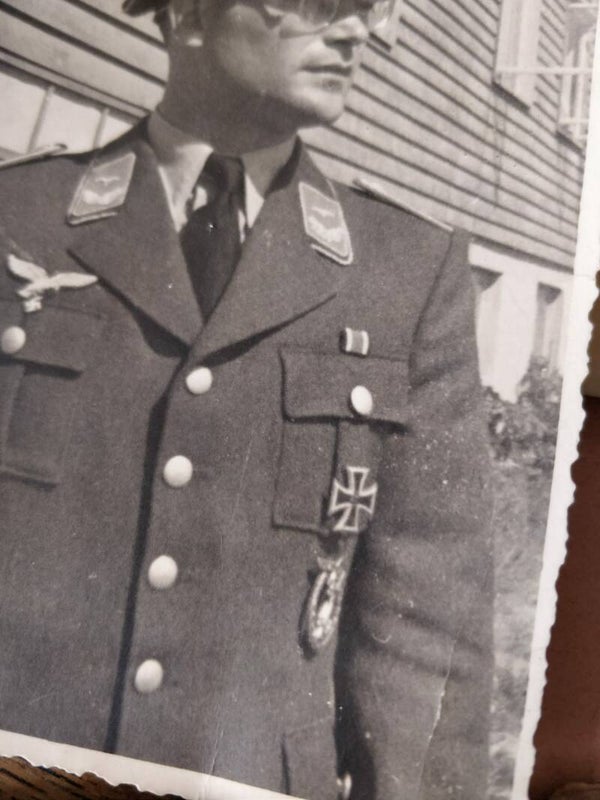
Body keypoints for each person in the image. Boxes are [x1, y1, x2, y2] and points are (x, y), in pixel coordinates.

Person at [0, 1, 494, 798]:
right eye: (319, 2)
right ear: (190, 14)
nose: (354, 30)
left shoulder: (407, 271)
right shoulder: (20, 218)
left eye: (366, 7)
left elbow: (426, 636)